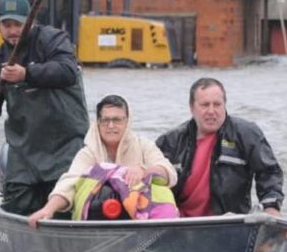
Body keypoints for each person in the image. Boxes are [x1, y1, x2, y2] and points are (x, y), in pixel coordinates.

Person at [0, 0, 89, 216]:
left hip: (65, 147)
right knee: (16, 206)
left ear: (31, 21)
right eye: (7, 25)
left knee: (63, 206)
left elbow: (67, 71)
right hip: (24, 153)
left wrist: (27, 73)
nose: (13, 31)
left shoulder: (53, 40)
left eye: (18, 24)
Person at [28, 94, 177, 227]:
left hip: (138, 221)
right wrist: (48, 210)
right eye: (105, 120)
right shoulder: (88, 153)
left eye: (117, 120)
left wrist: (144, 171)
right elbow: (69, 183)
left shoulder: (143, 145)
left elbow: (168, 171)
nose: (111, 126)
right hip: (97, 222)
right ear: (98, 123)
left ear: (127, 122)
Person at [156, 77, 284, 217]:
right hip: (179, 222)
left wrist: (271, 207)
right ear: (192, 108)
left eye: (217, 104)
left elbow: (269, 172)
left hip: (228, 221)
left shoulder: (246, 134)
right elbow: (149, 181)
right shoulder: (170, 141)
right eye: (205, 105)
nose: (211, 111)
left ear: (225, 105)